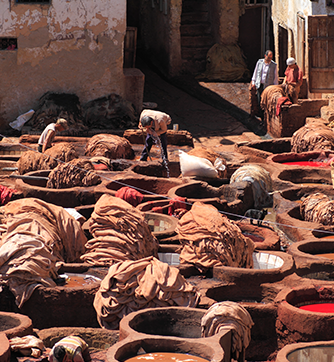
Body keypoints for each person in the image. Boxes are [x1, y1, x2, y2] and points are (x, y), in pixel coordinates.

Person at [251, 50, 278, 118]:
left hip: (268, 87)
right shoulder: (259, 62)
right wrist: (253, 82)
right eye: (268, 57)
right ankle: (262, 117)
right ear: (265, 56)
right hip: (260, 84)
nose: (269, 59)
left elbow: (275, 77)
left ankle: (267, 118)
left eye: (271, 58)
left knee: (266, 102)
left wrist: (275, 87)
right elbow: (256, 72)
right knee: (260, 101)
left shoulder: (274, 65)